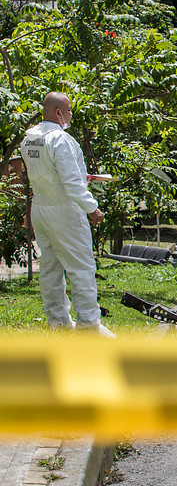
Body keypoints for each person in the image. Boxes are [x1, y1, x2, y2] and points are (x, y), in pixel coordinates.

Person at [20, 91, 113, 337]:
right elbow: (71, 182)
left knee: (50, 268)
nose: (71, 114)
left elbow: (43, 175)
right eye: (69, 110)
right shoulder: (60, 140)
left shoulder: (29, 139)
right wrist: (92, 207)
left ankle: (58, 323)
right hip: (65, 209)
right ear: (59, 112)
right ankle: (88, 326)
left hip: (40, 207)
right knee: (80, 268)